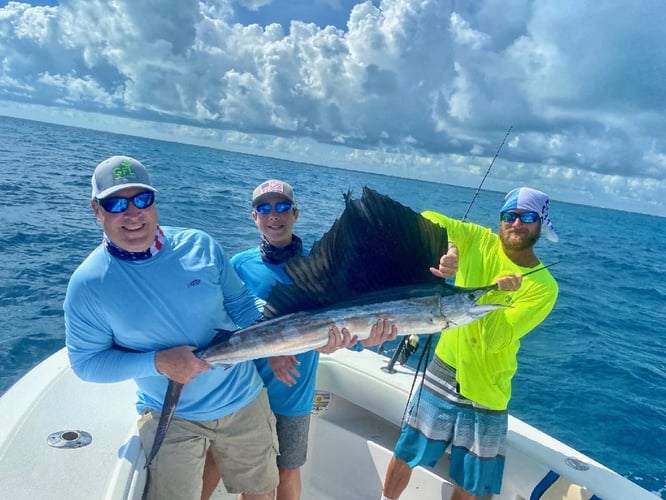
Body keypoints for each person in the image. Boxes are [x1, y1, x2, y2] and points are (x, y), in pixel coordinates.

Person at [63, 155, 286, 500]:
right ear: (97, 210)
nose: (132, 212)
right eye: (116, 203)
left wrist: (301, 330)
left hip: (244, 399)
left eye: (142, 200)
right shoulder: (88, 284)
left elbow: (244, 308)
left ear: (154, 203)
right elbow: (86, 363)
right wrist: (158, 362)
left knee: (261, 492)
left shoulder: (201, 245)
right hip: (170, 416)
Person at [201, 179, 398, 500]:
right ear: (254, 217)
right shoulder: (238, 264)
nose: (273, 214)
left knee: (286, 471)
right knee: (219, 459)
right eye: (264, 208)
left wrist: (370, 339)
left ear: (296, 214)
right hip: (241, 389)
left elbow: (350, 329)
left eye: (281, 207)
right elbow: (223, 322)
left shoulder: (322, 265)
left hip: (292, 392)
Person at [381, 187, 559, 500]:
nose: (517, 223)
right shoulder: (478, 239)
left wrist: (499, 295)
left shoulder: (543, 286)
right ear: (500, 220)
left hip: (488, 387)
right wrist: (448, 248)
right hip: (444, 367)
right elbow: (427, 219)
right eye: (509, 216)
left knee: (471, 480)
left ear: (540, 223)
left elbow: (495, 342)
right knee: (407, 449)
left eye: (527, 217)